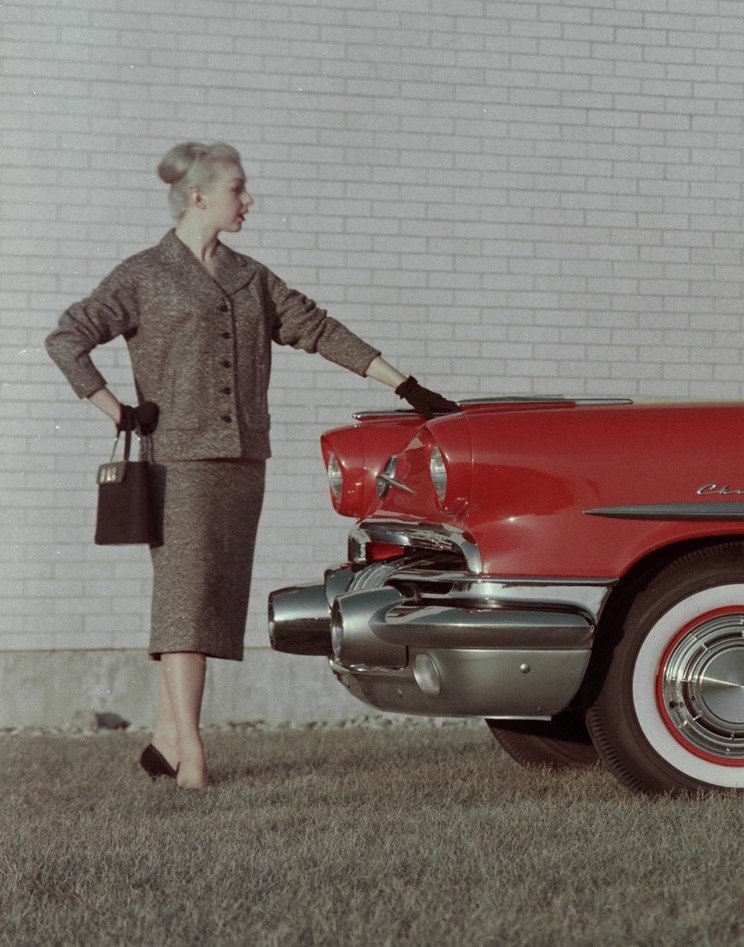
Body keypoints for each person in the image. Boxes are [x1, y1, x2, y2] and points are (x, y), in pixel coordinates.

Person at [44, 141, 460, 790]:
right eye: (238, 188)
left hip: (242, 463)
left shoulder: (250, 277)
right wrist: (116, 410)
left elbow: (318, 329)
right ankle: (191, 756)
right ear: (200, 197)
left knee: (208, 599)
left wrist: (404, 385)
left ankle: (163, 738)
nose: (249, 200)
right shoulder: (143, 274)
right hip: (177, 463)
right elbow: (67, 336)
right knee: (184, 600)